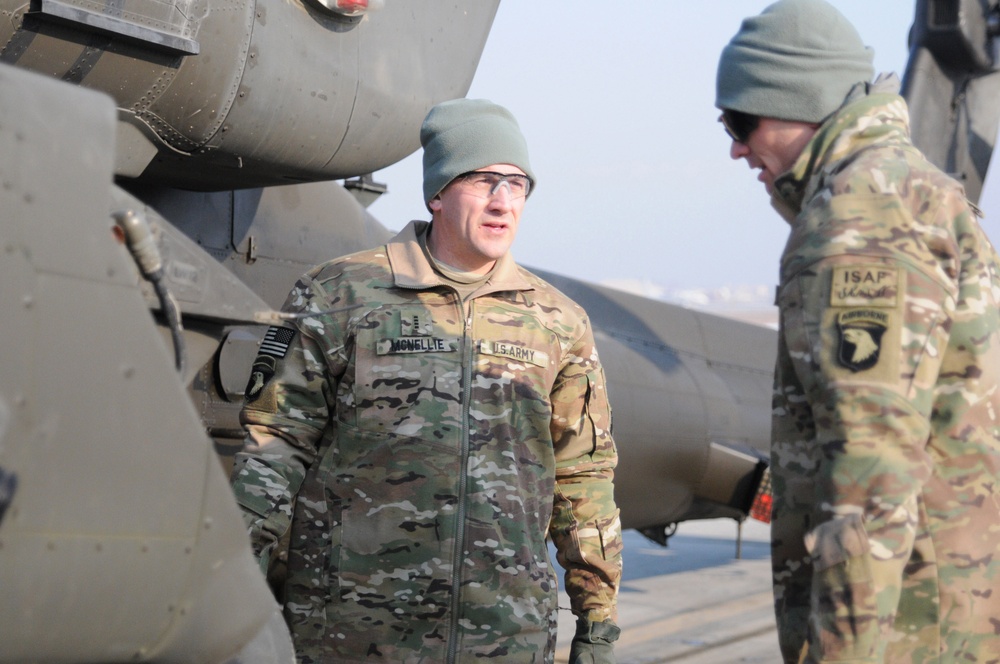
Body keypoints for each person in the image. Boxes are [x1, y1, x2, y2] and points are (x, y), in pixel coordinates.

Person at [229, 98, 623, 663]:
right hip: (352, 630)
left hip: (504, 634)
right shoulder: (339, 293)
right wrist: (238, 585)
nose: (503, 200)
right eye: (484, 179)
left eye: (518, 184)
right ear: (437, 193)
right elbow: (276, 445)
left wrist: (598, 619)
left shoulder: (557, 321)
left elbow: (584, 477)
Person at [715, 1, 1000, 662]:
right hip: (947, 616)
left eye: (739, 119)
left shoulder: (857, 219)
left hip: (903, 633)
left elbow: (871, 481)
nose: (735, 147)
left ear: (795, 100)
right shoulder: (919, 189)